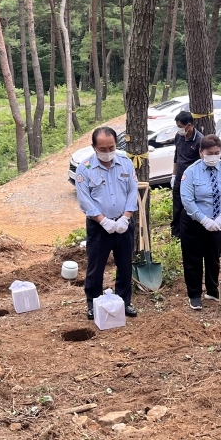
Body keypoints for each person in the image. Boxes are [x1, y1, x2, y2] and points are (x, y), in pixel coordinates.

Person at [74, 126, 139, 320]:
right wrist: (103, 221)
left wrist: (126, 217)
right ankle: (93, 303)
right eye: (103, 149)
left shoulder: (126, 163)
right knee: (96, 266)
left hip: (124, 223)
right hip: (98, 226)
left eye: (111, 147)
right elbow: (84, 199)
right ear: (94, 147)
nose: (108, 152)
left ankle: (124, 301)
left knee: (125, 264)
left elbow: (132, 191)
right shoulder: (84, 168)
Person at [180, 134, 221, 310]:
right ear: (201, 152)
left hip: (217, 223)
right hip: (194, 222)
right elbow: (187, 200)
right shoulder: (191, 172)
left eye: (217, 152)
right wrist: (204, 220)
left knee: (213, 257)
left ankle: (212, 289)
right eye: (209, 153)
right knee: (193, 260)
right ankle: (195, 294)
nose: (214, 156)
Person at [170, 111, 202, 238]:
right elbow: (176, 157)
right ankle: (176, 233)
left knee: (189, 205)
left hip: (191, 181)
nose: (179, 129)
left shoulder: (199, 140)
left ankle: (188, 232)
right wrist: (173, 175)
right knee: (177, 206)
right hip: (179, 178)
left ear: (189, 126)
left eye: (180, 126)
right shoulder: (179, 137)